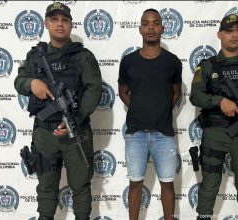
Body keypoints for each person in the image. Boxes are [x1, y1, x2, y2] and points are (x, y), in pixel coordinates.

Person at [14, 2, 102, 220]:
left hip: (76, 132)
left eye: (64, 20)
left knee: (80, 185)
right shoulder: (35, 56)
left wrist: (77, 117)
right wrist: (32, 83)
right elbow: (19, 80)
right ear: (46, 23)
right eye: (54, 20)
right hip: (45, 134)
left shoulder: (83, 56)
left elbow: (94, 89)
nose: (60, 24)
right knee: (46, 186)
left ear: (71, 25)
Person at [190, 14, 238, 220]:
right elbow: (196, 96)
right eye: (228, 31)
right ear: (219, 35)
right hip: (215, 133)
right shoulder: (207, 65)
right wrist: (220, 102)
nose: (234, 35)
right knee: (209, 186)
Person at [118, 8, 182, 220]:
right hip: (135, 133)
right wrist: (138, 108)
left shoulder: (172, 62)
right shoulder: (128, 61)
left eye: (155, 23)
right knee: (135, 183)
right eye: (146, 23)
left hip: (164, 134)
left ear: (162, 28)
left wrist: (160, 109)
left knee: (167, 183)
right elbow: (123, 91)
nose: (151, 27)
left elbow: (175, 93)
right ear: (140, 29)